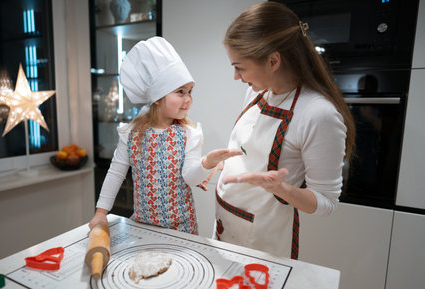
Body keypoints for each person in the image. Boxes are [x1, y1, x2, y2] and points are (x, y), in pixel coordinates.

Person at [213, 2, 355, 259]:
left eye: (239, 67)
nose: (236, 77)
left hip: (263, 241)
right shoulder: (256, 93)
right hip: (226, 223)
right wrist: (222, 166)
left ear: (273, 60)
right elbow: (248, 152)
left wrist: (281, 189)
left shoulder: (317, 113)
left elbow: (327, 203)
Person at [89, 37, 241, 234]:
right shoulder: (132, 134)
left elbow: (191, 178)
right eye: (180, 92)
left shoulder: (189, 133)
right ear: (158, 97)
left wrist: (207, 163)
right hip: (143, 226)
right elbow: (116, 173)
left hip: (182, 228)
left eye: (190, 92)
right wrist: (101, 212)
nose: (188, 99)